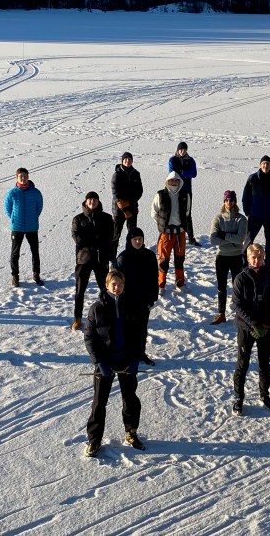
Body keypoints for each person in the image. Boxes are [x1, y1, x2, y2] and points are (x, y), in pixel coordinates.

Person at [83, 269, 147, 457]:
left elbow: (139, 335)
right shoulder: (97, 308)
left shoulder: (132, 306)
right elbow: (89, 338)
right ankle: (94, 440)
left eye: (120, 284)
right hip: (105, 362)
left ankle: (131, 432)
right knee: (99, 403)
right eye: (113, 284)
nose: (117, 287)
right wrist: (100, 362)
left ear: (124, 285)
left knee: (130, 400)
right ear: (106, 285)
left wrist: (135, 359)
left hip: (127, 361)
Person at [231, 243, 270, 415]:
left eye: (260, 257)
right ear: (248, 258)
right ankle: (238, 398)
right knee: (242, 363)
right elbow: (237, 305)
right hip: (246, 327)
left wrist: (266, 323)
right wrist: (252, 322)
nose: (257, 261)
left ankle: (264, 394)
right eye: (254, 257)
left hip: (266, 327)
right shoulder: (241, 278)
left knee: (264, 362)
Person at [70, 191, 115, 330]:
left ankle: (109, 315)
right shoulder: (78, 219)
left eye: (95, 200)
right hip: (84, 259)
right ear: (85, 202)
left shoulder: (107, 218)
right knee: (80, 290)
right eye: (90, 200)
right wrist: (92, 243)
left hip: (101, 258)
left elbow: (110, 236)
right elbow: (76, 236)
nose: (92, 202)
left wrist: (98, 244)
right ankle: (77, 318)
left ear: (98, 202)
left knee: (105, 288)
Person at [115, 227, 160, 364]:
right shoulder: (123, 258)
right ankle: (128, 355)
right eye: (135, 239)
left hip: (144, 300)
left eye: (140, 239)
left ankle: (141, 353)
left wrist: (153, 297)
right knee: (128, 329)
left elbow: (155, 277)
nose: (138, 242)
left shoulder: (149, 256)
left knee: (142, 329)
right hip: (128, 301)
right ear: (130, 241)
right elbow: (117, 280)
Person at [208, 190, 248, 324]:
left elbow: (241, 238)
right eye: (226, 200)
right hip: (222, 256)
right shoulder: (218, 218)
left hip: (236, 256)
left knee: (237, 285)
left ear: (235, 202)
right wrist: (232, 239)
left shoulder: (241, 219)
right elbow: (213, 240)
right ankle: (221, 313)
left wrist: (224, 235)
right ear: (223, 202)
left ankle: (239, 313)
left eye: (231, 200)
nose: (228, 202)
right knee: (221, 286)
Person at [4, 167, 44, 287]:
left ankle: (36, 274)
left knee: (35, 252)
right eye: (21, 176)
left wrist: (33, 217)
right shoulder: (12, 193)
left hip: (32, 226)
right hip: (17, 227)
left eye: (25, 176)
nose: (23, 178)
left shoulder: (36, 192)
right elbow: (7, 208)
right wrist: (14, 218)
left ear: (28, 177)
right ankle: (15, 276)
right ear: (17, 178)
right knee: (15, 253)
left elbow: (39, 207)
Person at [242, 156, 270, 270]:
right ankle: (244, 262)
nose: (265, 166)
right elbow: (246, 196)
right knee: (249, 240)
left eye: (268, 164)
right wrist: (247, 211)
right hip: (255, 215)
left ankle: (268, 263)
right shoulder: (253, 179)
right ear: (260, 165)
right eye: (264, 163)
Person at [151, 171, 190, 289]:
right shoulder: (160, 195)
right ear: (167, 181)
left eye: (176, 180)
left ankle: (180, 282)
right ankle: (161, 284)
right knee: (163, 260)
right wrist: (162, 224)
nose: (174, 182)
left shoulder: (185, 195)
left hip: (180, 232)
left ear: (179, 181)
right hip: (166, 233)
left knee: (180, 259)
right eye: (171, 180)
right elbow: (154, 212)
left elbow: (187, 212)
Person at [168, 141, 199, 245]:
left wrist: (181, 172)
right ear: (177, 150)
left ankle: (191, 237)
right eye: (181, 149)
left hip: (187, 190)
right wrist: (184, 174)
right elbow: (172, 173)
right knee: (175, 213)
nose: (182, 151)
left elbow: (193, 173)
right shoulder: (173, 160)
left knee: (187, 214)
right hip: (175, 190)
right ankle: (176, 237)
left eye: (184, 150)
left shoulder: (190, 160)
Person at [111, 151, 143, 250]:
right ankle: (112, 256)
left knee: (132, 234)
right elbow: (115, 193)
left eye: (129, 159)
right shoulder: (117, 175)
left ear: (132, 161)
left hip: (132, 207)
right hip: (119, 209)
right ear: (122, 161)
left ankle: (131, 254)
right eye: (125, 159)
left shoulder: (136, 174)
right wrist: (124, 209)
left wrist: (130, 202)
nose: (127, 161)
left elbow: (139, 191)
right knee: (115, 234)